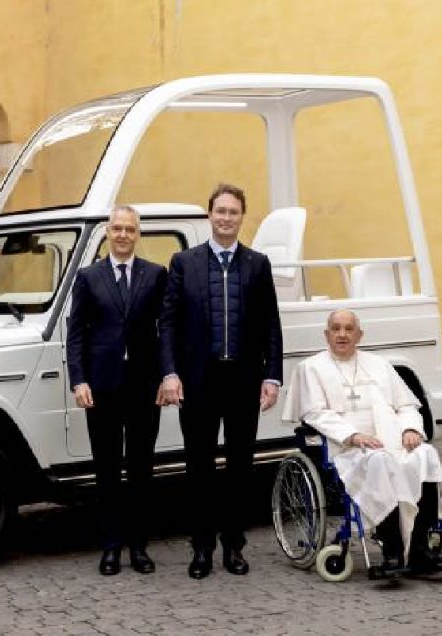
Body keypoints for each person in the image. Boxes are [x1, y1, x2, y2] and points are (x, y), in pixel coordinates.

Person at [159, 183, 283, 579]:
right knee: (199, 467)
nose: (226, 218)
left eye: (233, 212)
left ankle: (234, 547)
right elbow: (168, 324)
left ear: (241, 217)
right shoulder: (184, 263)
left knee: (240, 467)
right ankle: (201, 549)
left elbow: (271, 324)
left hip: (243, 380)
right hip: (199, 381)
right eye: (220, 211)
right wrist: (170, 372)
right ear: (209, 215)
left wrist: (272, 375)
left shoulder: (258, 264)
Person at [283, 309, 442, 572]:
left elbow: (406, 405)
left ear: (359, 335)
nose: (342, 334)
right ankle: (392, 548)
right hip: (347, 449)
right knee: (379, 461)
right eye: (336, 329)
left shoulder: (379, 364)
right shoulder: (311, 368)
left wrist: (410, 429)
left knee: (425, 454)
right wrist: (352, 435)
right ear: (326, 334)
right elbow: (315, 413)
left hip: (391, 440)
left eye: (348, 329)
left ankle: (420, 546)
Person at [66, 205, 167, 576]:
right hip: (102, 388)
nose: (123, 235)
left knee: (141, 470)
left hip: (144, 388)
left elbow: (165, 330)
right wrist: (79, 380)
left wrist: (167, 375)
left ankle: (139, 548)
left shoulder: (155, 275)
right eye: (117, 228)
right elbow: (76, 333)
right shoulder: (88, 277)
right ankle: (110, 548)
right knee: (106, 471)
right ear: (107, 232)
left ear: (138, 234)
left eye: (130, 229)